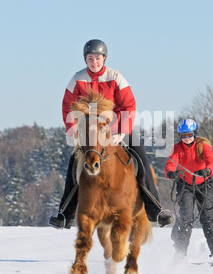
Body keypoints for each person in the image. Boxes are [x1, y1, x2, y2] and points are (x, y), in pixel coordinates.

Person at [49, 39, 172, 229]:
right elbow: (67, 106)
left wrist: (121, 132)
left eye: (97, 58)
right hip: (89, 133)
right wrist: (74, 130)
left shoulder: (115, 76)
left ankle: (155, 210)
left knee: (141, 160)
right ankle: (65, 214)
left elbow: (129, 105)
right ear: (85, 59)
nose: (94, 62)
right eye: (90, 58)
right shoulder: (77, 78)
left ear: (104, 58)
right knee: (74, 167)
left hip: (116, 131)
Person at [164, 118, 213, 266]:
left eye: (189, 135)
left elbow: (211, 161)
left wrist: (207, 170)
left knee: (207, 217)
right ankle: (179, 252)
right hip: (186, 186)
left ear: (195, 133)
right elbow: (170, 163)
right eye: (183, 136)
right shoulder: (177, 148)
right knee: (186, 217)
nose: (187, 138)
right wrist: (171, 173)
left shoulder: (202, 146)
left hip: (203, 184)